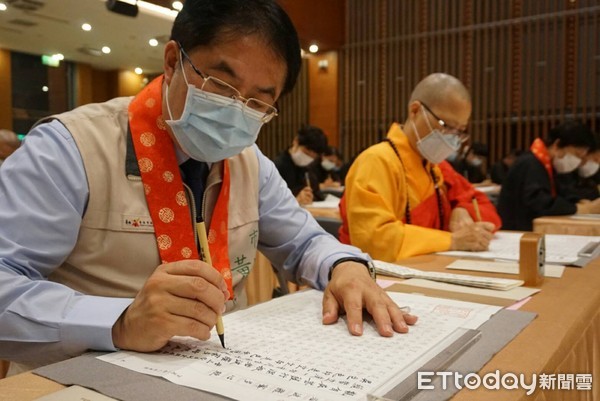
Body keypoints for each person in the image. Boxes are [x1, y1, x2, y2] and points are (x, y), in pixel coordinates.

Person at [0, 0, 417, 373]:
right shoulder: (70, 149)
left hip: (215, 372)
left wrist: (344, 267)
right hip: (77, 380)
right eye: (220, 84)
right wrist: (119, 320)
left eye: (257, 101)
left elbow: (305, 243)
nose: (235, 110)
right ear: (171, 62)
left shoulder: (249, 162)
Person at [339, 73, 502, 261]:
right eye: (446, 126)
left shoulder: (436, 168)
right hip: (376, 279)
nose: (452, 137)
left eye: (460, 131)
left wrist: (461, 208)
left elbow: (482, 206)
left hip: (429, 270)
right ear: (415, 111)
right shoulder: (376, 161)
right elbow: (375, 242)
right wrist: (452, 240)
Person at [497, 120, 600, 231]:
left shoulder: (546, 164)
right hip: (517, 234)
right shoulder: (530, 163)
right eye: (576, 154)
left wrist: (578, 202)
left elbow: (560, 193)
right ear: (557, 145)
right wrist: (579, 209)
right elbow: (538, 202)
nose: (578, 161)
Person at [273, 124, 328, 205]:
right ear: (296, 141)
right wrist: (295, 200)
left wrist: (310, 197)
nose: (307, 158)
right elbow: (271, 201)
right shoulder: (277, 166)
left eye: (312, 157)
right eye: (306, 153)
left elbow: (317, 194)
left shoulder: (309, 169)